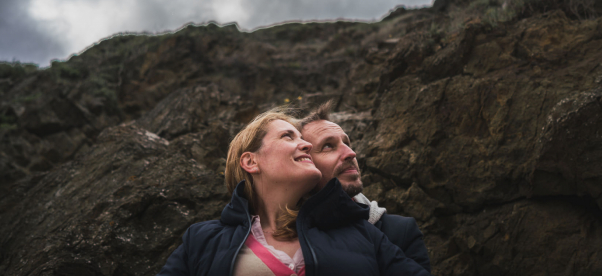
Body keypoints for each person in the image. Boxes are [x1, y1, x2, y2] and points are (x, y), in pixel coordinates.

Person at [157, 109, 430, 276]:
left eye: (304, 140)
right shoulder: (201, 240)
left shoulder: (361, 232)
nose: (306, 146)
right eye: (289, 137)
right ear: (250, 161)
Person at [297, 102, 432, 274]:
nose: (351, 153)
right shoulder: (279, 234)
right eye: (328, 146)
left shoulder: (401, 231)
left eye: (347, 143)